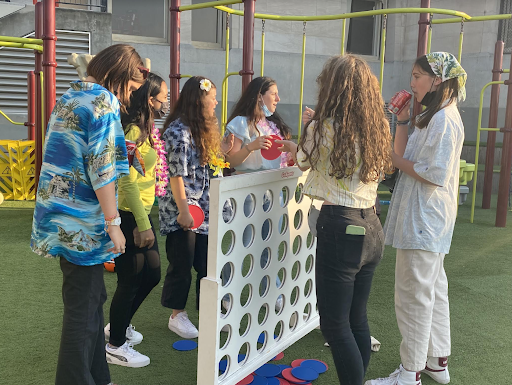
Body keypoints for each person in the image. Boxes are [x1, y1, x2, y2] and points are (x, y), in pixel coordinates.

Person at [30, 44, 146, 385]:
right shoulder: (103, 102)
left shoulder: (71, 96)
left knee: (92, 299)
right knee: (83, 310)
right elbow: (102, 170)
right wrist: (114, 224)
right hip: (81, 222)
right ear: (120, 77)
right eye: (132, 89)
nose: (131, 98)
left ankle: (98, 375)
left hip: (58, 216)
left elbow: (76, 149)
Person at [277, 54, 393, 385]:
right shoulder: (377, 126)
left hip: (340, 226)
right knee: (356, 318)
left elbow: (301, 161)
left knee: (334, 324)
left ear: (332, 88)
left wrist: (305, 132)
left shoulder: (321, 127)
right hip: (371, 225)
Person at [365, 52, 466, 385]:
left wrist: (393, 156)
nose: (412, 82)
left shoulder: (445, 119)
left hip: (426, 219)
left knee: (413, 295)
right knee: (431, 290)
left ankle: (410, 373)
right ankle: (436, 362)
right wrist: (404, 122)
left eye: (418, 75)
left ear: (438, 79)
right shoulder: (433, 116)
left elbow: (433, 173)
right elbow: (403, 160)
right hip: (424, 219)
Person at [104, 73, 169, 368]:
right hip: (130, 214)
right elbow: (127, 183)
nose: (166, 102)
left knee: (152, 274)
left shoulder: (148, 128)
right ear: (149, 99)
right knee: (130, 279)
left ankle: (119, 325)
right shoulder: (131, 130)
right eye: (162, 97)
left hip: (141, 211)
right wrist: (143, 224)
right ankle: (115, 344)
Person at [159, 76, 224, 339]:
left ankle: (208, 310)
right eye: (212, 98)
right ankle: (177, 315)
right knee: (181, 263)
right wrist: (184, 211)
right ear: (199, 101)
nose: (216, 102)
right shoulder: (178, 131)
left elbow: (209, 167)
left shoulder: (202, 129)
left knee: (207, 265)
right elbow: (175, 175)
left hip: (204, 209)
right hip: (182, 210)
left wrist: (225, 151)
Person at [222, 76, 292, 310]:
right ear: (259, 96)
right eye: (273, 93)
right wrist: (251, 146)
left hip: (272, 192)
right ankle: (227, 295)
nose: (278, 99)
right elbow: (230, 161)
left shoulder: (274, 126)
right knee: (241, 246)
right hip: (247, 193)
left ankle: (269, 293)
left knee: (269, 246)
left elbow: (281, 160)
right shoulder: (240, 123)